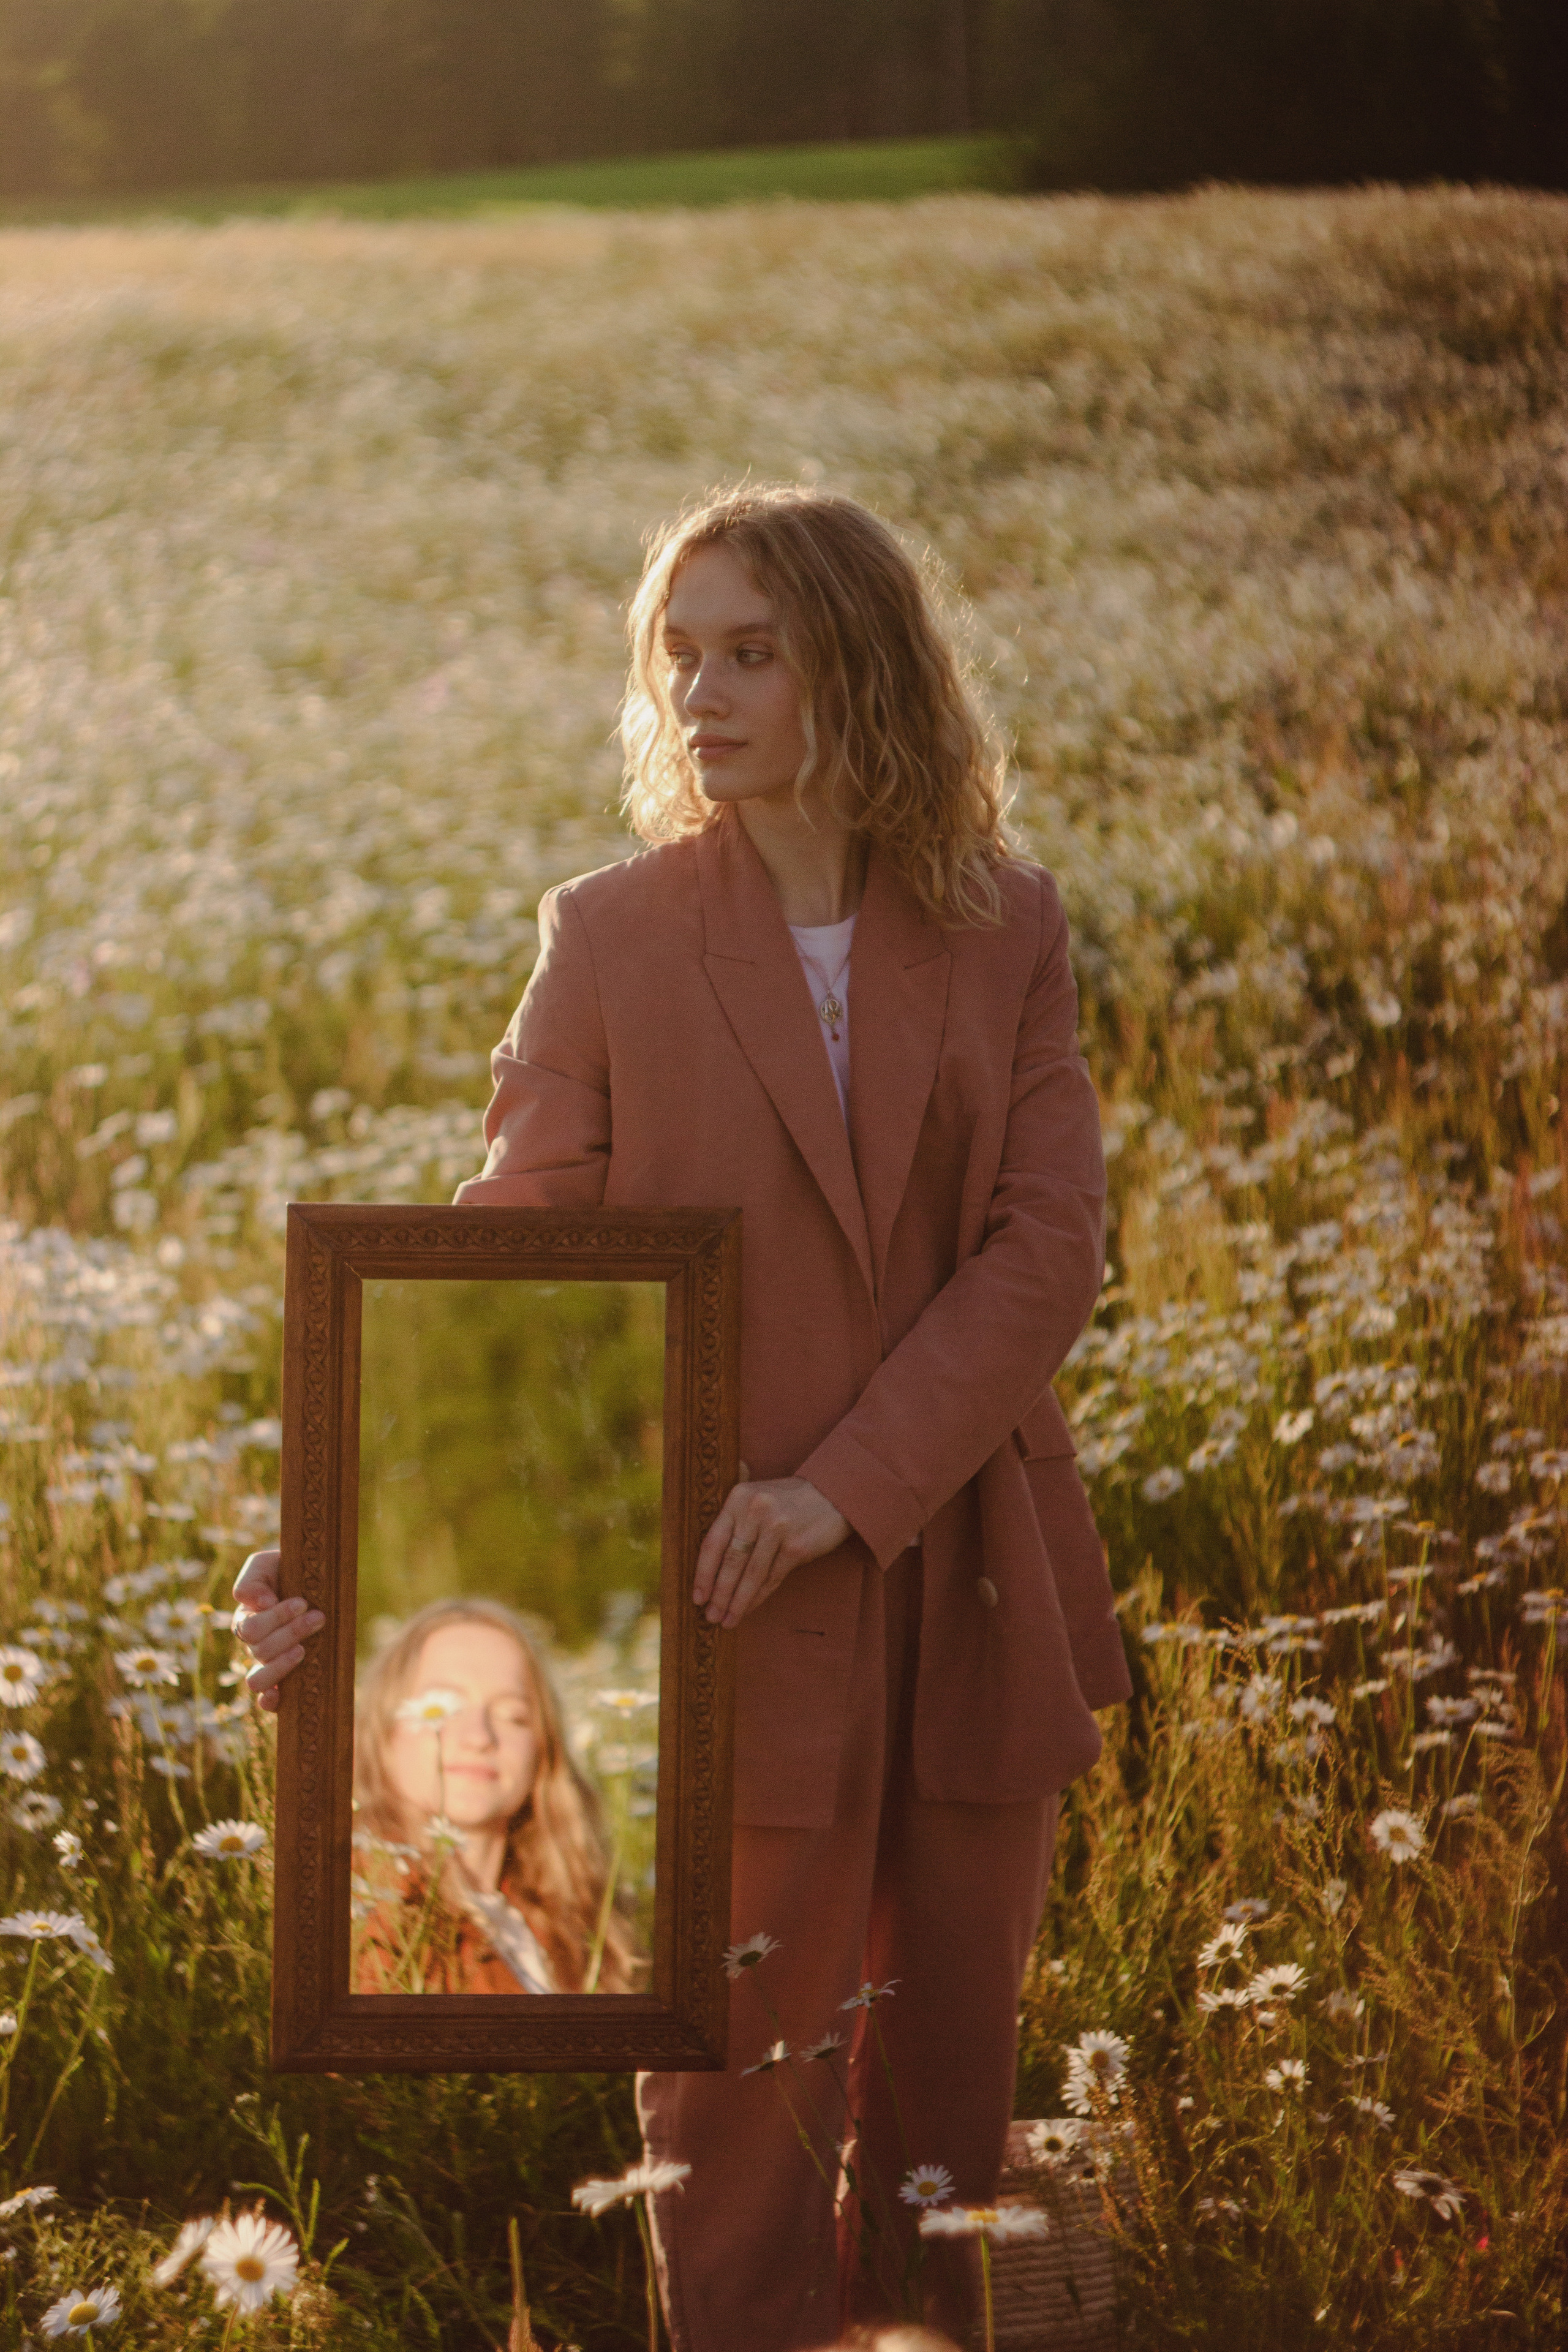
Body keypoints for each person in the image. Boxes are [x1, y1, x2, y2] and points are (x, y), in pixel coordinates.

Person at [233, 484, 1131, 2349]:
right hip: (722, 1606)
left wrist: (846, 1487)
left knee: (946, 2122)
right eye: (680, 653)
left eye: (751, 649)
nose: (701, 691)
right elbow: (493, 1283)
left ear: (858, 667)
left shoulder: (1003, 923)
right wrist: (340, 1561)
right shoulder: (614, 934)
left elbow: (1047, 1254)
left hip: (969, 1571)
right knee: (726, 2112)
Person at [347, 1595, 639, 1997]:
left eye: (512, 1715)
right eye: (443, 1708)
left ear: (543, 1747)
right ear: (384, 1731)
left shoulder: (570, 1922)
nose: (479, 1737)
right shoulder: (358, 1916)